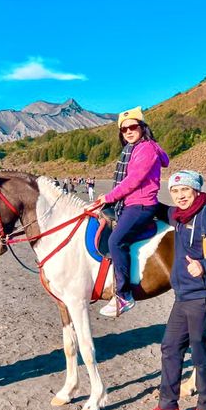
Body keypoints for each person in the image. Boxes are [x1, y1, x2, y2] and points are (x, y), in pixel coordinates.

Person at [139, 170, 206, 410]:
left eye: (185, 190)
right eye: (176, 191)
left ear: (196, 190)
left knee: (201, 351)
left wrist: (205, 265)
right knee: (170, 347)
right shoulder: (178, 216)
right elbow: (157, 208)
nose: (180, 195)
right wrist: (129, 192)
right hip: (184, 296)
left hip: (205, 295)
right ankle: (168, 407)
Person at [88, 106, 169, 317]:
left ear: (142, 127)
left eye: (133, 127)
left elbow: (133, 181)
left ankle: (124, 295)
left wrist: (108, 197)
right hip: (129, 203)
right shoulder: (131, 150)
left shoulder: (147, 149)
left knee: (116, 241)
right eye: (124, 130)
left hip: (140, 205)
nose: (129, 132)